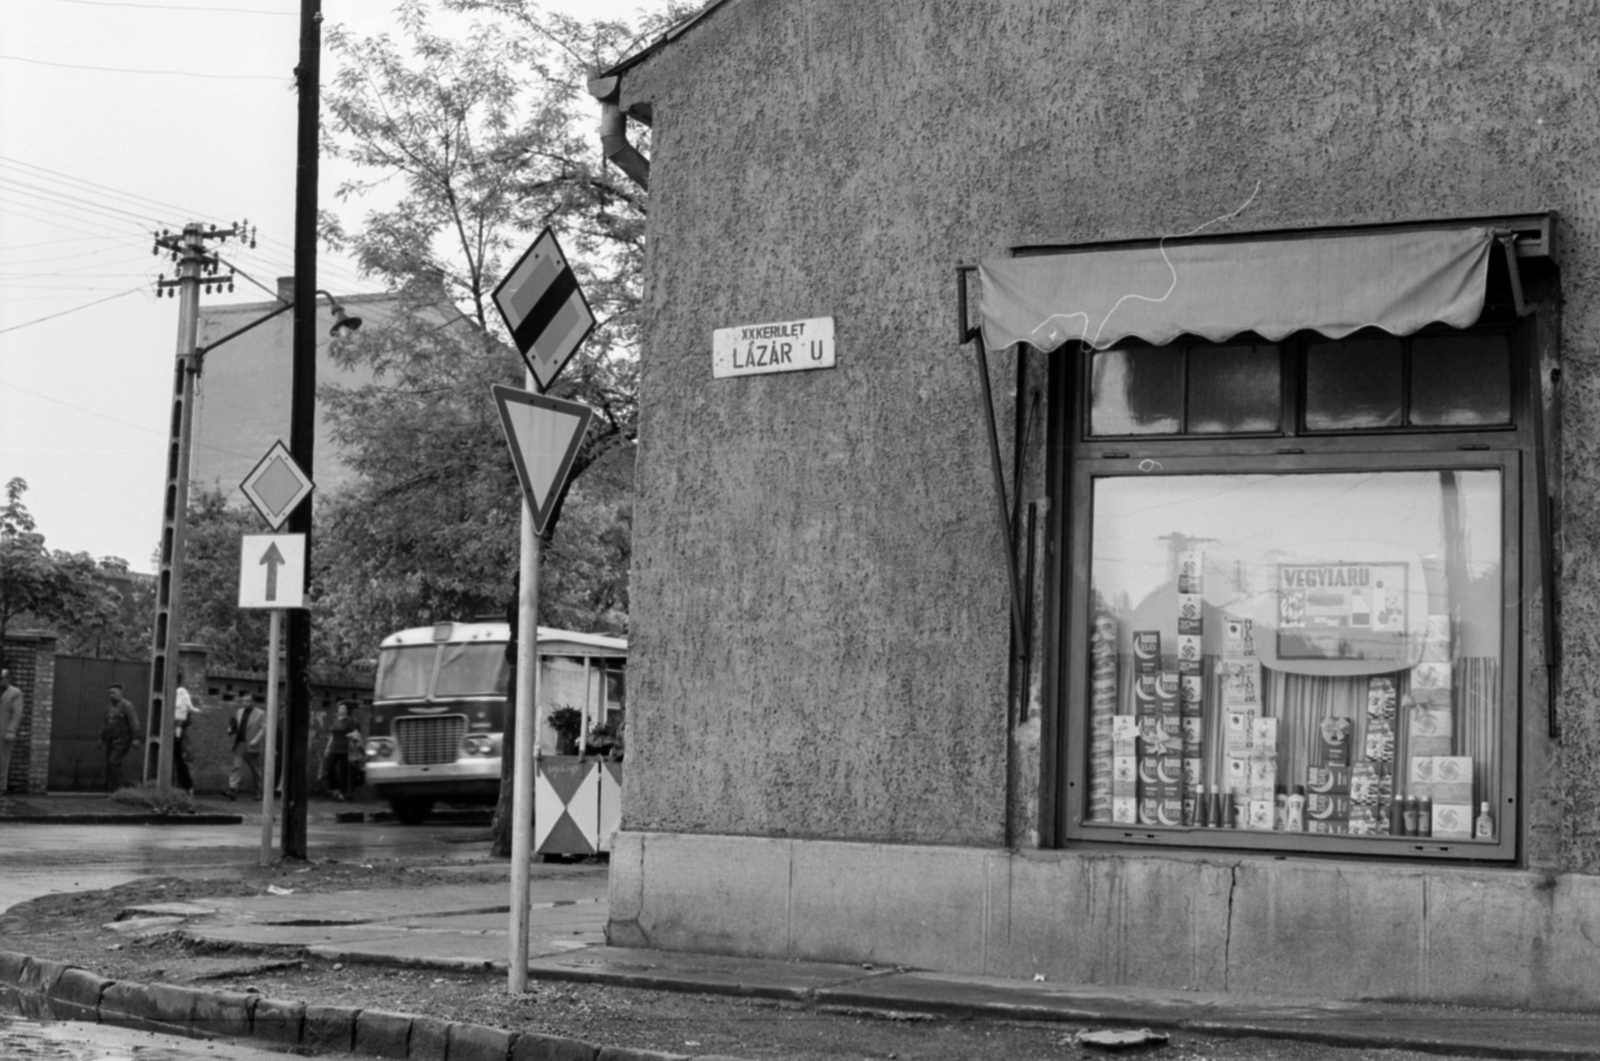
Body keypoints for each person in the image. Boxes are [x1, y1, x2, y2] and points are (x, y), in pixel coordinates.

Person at [99, 684, 142, 792]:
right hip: (110, 739)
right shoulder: (110, 707)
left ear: (120, 693)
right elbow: (106, 724)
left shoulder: (127, 706)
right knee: (109, 764)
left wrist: (136, 738)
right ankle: (112, 789)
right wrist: (101, 739)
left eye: (114, 693)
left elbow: (134, 722)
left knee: (113, 761)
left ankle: (120, 789)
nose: (111, 695)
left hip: (122, 739)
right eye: (109, 693)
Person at [224, 695, 265, 801]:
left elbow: (263, 729)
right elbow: (237, 727)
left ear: (253, 702)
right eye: (244, 701)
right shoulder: (239, 712)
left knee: (255, 771)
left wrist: (256, 740)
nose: (245, 702)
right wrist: (231, 730)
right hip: (240, 744)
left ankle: (258, 792)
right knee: (236, 767)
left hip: (252, 746)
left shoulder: (260, 713)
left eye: (248, 701)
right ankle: (233, 790)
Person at [322, 701, 359, 800]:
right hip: (334, 748)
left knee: (343, 772)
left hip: (345, 749)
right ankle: (335, 789)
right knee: (330, 768)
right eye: (339, 708)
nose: (340, 710)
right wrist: (327, 748)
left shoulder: (351, 721)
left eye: (342, 708)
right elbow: (332, 735)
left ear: (347, 711)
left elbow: (356, 734)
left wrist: (350, 735)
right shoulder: (335, 720)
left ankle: (343, 793)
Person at [172, 671, 200, 795]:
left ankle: (186, 787)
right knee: (175, 761)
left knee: (180, 761)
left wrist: (179, 723)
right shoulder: (167, 695)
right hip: (168, 734)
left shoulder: (182, 696)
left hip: (178, 735)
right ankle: (179, 786)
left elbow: (188, 720)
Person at [1, 668, 24, 798]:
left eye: (2, 679)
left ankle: (1, 788)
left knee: (2, 760)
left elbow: (17, 713)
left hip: (4, 731)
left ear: (8, 679)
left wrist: (11, 730)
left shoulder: (15, 693)